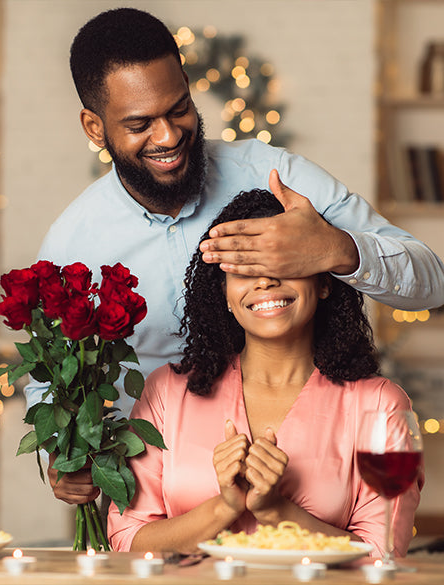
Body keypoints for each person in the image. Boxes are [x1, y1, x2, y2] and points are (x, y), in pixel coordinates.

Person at [23, 7, 442, 503]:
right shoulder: (74, 244)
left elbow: (432, 281)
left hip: (300, 473)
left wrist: (335, 248)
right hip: (154, 494)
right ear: (94, 127)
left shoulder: (276, 176)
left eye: (178, 108)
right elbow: (49, 377)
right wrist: (60, 454)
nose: (169, 136)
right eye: (140, 123)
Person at [107, 189, 422, 557]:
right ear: (223, 292)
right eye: (244, 268)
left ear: (323, 283)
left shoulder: (380, 405)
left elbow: (383, 555)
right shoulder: (166, 392)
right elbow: (127, 540)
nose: (265, 281)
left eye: (285, 263)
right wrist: (224, 507)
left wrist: (277, 511)